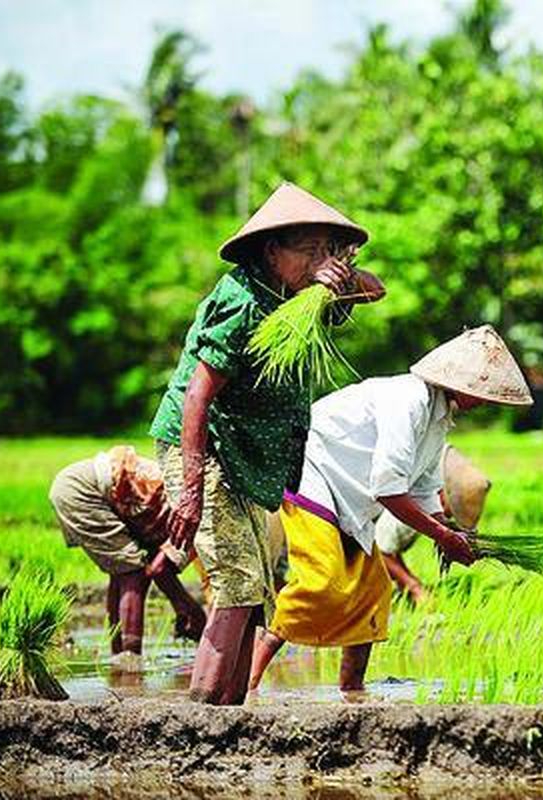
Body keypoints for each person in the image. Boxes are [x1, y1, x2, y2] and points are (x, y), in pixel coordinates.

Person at [150, 181, 385, 705]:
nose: (318, 260)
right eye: (308, 250)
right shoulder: (243, 300)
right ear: (272, 250)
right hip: (207, 450)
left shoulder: (305, 297)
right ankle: (199, 717)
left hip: (248, 457)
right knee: (236, 581)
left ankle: (230, 716)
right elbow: (197, 396)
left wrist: (338, 279)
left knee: (256, 591)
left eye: (327, 250)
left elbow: (376, 289)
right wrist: (190, 491)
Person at [248, 325, 533, 693]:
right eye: (483, 391)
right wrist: (443, 535)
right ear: (460, 382)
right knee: (320, 582)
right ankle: (249, 684)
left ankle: (352, 691)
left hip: (349, 496)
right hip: (313, 475)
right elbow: (388, 490)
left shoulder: (438, 419)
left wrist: (450, 533)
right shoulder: (409, 401)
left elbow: (425, 489)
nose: (485, 402)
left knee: (373, 591)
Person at [48, 445, 204, 668]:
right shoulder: (198, 521)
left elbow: (156, 566)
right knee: (133, 572)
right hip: (84, 491)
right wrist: (190, 609)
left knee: (122, 571)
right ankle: (131, 662)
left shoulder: (184, 503)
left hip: (73, 482)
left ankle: (118, 657)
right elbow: (158, 569)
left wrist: (183, 606)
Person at [374, 444, 491, 605]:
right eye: (451, 512)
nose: (449, 518)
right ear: (441, 495)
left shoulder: (430, 458)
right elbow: (379, 549)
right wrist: (415, 588)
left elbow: (389, 545)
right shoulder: (414, 500)